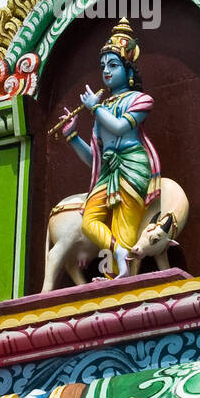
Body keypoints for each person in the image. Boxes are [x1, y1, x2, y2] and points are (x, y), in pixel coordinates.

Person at [60, 18, 161, 279]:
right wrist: (72, 137)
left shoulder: (141, 100)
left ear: (129, 72)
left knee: (124, 227)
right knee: (89, 221)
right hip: (108, 172)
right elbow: (95, 158)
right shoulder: (101, 110)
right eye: (103, 66)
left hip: (132, 166)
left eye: (113, 65)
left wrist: (95, 108)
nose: (106, 71)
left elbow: (118, 128)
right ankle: (116, 251)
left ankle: (119, 279)